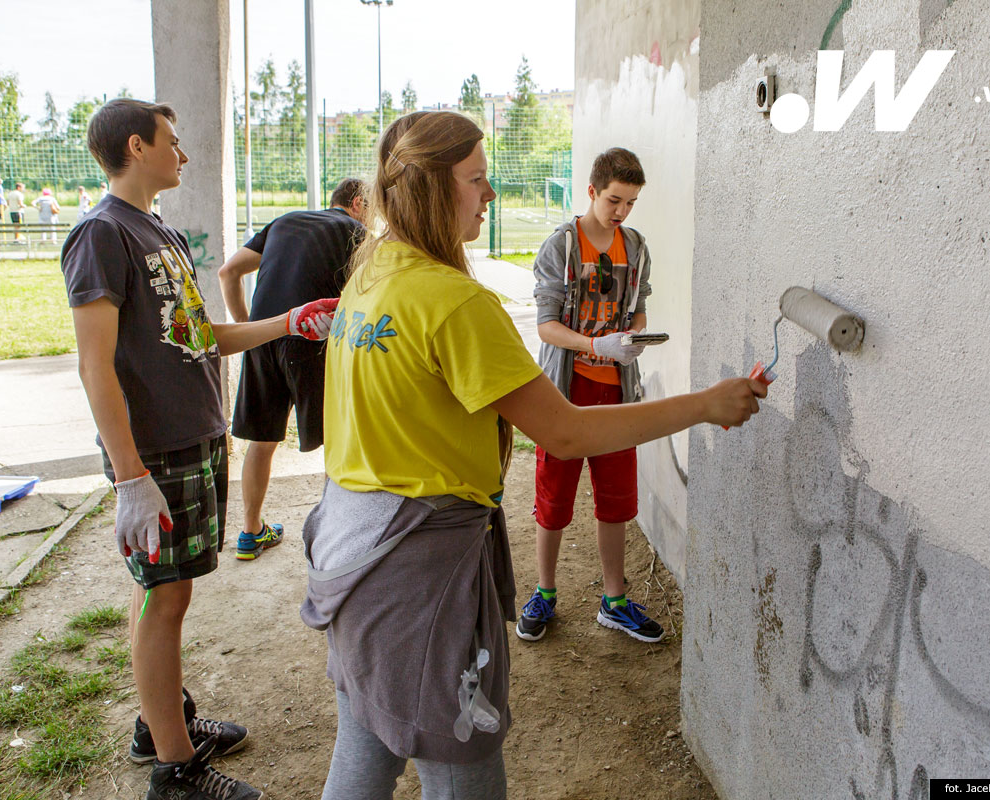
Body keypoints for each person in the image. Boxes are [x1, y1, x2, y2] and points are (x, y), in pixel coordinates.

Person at [301, 110, 765, 800]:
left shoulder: (373, 274)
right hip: (415, 570)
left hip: (351, 548)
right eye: (477, 180)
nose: (490, 194)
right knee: (462, 767)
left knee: (367, 742)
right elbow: (567, 433)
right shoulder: (454, 301)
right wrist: (704, 404)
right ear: (431, 189)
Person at [61, 98, 339, 800]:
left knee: (158, 592)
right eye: (172, 143)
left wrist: (285, 322)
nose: (182, 155)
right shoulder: (101, 234)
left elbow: (198, 335)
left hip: (193, 437)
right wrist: (130, 477)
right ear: (137, 145)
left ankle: (160, 724)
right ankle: (176, 771)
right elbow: (95, 366)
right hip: (153, 453)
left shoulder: (156, 230)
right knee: (167, 597)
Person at [518, 147, 663, 643]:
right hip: (565, 392)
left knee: (617, 499)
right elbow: (547, 327)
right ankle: (544, 592)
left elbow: (639, 306)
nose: (621, 211)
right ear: (592, 192)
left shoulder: (637, 247)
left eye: (630, 202)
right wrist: (593, 344)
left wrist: (633, 338)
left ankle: (614, 599)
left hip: (618, 394)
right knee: (553, 496)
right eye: (614, 200)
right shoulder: (560, 247)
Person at [218, 177, 367, 560]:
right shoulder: (356, 231)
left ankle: (250, 532)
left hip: (265, 335)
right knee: (337, 439)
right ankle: (339, 535)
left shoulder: (284, 221)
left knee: (262, 439)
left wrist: (249, 327)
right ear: (358, 202)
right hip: (312, 341)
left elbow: (228, 273)